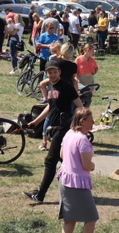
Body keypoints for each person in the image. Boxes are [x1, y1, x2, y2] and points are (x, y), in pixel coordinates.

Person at [24, 61, 84, 203]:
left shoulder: (66, 86)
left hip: (63, 129)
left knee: (50, 161)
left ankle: (40, 195)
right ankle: (80, 190)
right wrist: (36, 121)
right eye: (50, 72)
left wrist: (79, 125)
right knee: (67, 162)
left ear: (59, 72)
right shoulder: (51, 86)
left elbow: (80, 106)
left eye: (55, 72)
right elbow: (50, 107)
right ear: (46, 73)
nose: (52, 75)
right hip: (55, 128)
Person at [54, 107, 104, 233]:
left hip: (64, 180)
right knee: (91, 218)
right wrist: (93, 166)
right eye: (90, 120)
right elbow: (87, 165)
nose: (93, 123)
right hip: (76, 184)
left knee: (70, 219)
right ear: (82, 122)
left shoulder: (69, 134)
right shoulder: (82, 140)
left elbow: (62, 154)